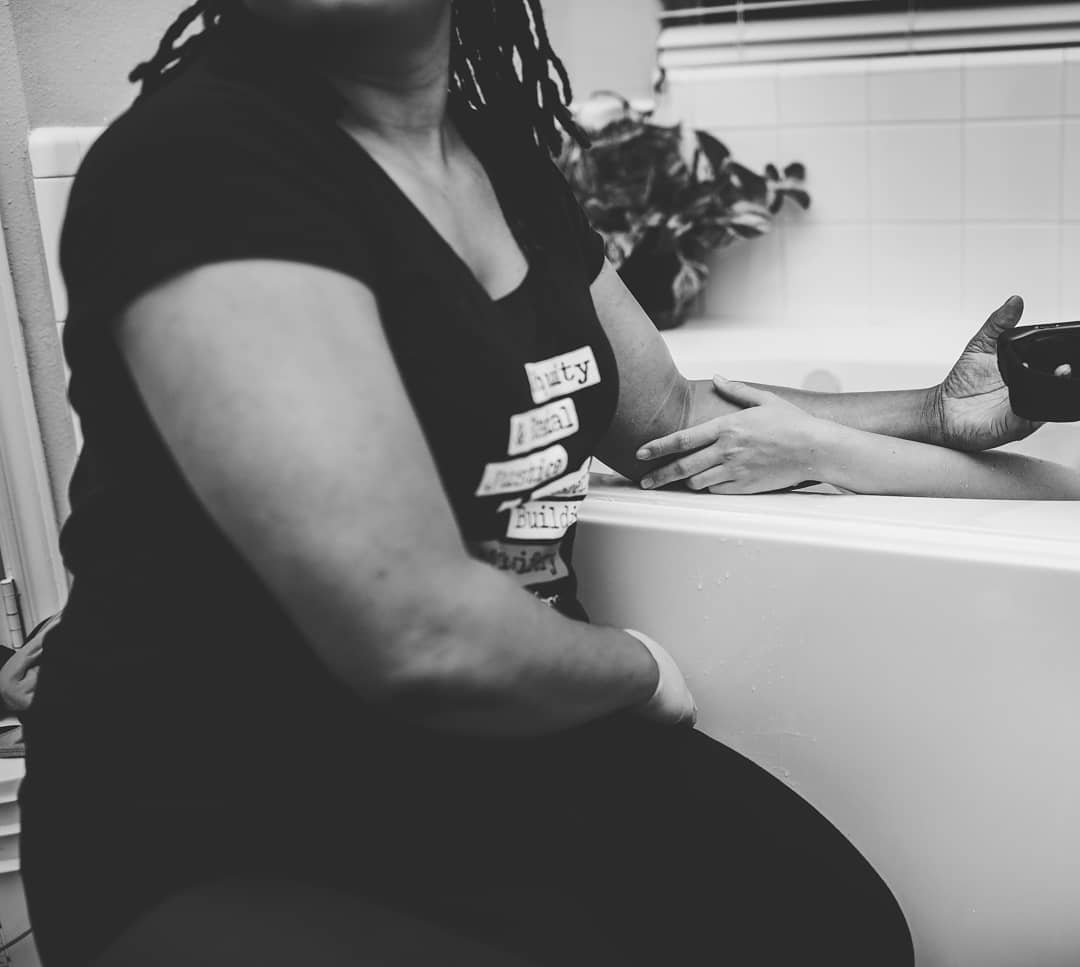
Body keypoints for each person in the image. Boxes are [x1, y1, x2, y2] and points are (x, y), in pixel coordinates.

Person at [17, 1, 1073, 965]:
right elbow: (423, 637)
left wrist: (933, 412)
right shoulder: (203, 161)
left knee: (835, 928)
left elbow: (670, 417)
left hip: (486, 758)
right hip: (229, 801)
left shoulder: (497, 162)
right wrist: (639, 669)